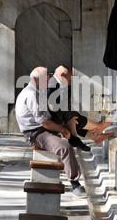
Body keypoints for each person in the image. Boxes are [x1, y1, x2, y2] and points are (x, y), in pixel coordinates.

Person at [15, 66, 88, 198]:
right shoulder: (31, 94)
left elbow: (48, 111)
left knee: (65, 107)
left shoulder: (37, 91)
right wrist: (63, 129)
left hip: (43, 126)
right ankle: (75, 183)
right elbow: (44, 122)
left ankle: (74, 138)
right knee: (65, 148)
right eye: (46, 79)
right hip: (36, 133)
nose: (49, 82)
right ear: (37, 80)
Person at [47, 65, 114, 150]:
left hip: (54, 116)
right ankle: (97, 128)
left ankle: (94, 135)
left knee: (72, 115)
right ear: (63, 74)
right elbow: (52, 107)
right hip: (48, 121)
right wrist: (67, 119)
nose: (70, 82)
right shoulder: (52, 84)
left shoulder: (53, 81)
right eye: (70, 79)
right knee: (72, 117)